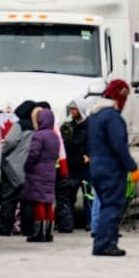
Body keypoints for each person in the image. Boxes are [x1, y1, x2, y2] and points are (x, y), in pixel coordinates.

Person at [87, 79, 139, 257]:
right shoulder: (112, 117)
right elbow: (119, 146)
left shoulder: (95, 115)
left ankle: (105, 242)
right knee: (112, 206)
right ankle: (105, 244)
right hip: (111, 169)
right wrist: (132, 167)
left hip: (96, 167)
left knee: (105, 205)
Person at [0, 100, 40, 236]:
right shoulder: (37, 127)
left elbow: (10, 141)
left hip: (13, 167)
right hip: (30, 169)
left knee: (9, 199)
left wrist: (1, 155)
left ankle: (5, 228)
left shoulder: (19, 125)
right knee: (27, 202)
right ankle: (28, 229)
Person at [23, 107, 60, 243]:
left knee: (39, 202)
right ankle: (48, 232)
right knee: (48, 203)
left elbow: (33, 154)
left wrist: (26, 166)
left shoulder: (39, 135)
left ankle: (38, 233)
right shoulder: (55, 136)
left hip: (37, 172)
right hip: (51, 172)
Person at [56, 98, 90, 234]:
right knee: (69, 195)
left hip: (85, 166)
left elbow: (93, 141)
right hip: (72, 165)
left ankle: (90, 221)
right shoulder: (68, 126)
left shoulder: (89, 126)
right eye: (71, 109)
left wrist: (89, 154)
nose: (72, 111)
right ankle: (67, 222)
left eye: (74, 109)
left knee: (88, 196)